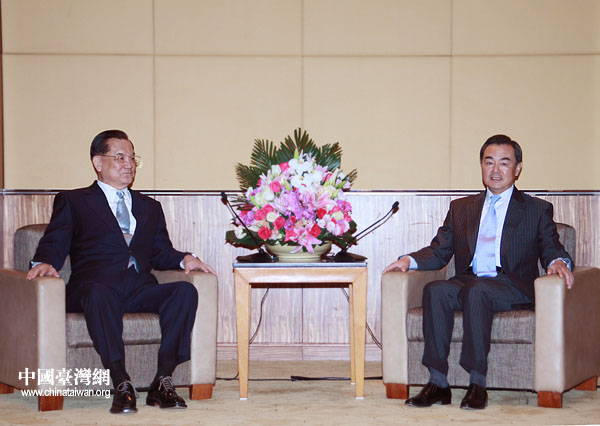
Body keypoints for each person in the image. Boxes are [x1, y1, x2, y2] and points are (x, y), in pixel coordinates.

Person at [27, 129, 217, 414]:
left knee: (184, 291)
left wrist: (184, 259)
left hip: (137, 288)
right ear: (98, 162)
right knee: (99, 293)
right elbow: (56, 240)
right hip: (93, 287)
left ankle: (163, 380)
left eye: (132, 158)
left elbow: (160, 252)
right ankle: (121, 382)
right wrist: (42, 262)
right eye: (119, 157)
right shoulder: (75, 201)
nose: (128, 164)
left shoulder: (150, 207)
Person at [383, 134, 574, 410]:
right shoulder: (461, 208)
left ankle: (477, 383)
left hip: (512, 285)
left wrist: (558, 261)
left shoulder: (536, 209)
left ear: (518, 169)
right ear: (482, 166)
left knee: (478, 290)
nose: (496, 170)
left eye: (504, 163)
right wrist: (408, 261)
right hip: (469, 280)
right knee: (436, 290)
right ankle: (438, 383)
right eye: (489, 162)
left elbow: (551, 245)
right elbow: (439, 250)